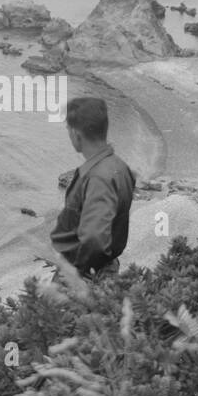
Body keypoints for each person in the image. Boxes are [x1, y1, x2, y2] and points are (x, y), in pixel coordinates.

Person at [50, 97, 135, 280]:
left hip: (87, 276)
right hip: (105, 268)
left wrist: (76, 271)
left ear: (75, 134)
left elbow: (94, 239)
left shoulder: (97, 177)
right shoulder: (119, 166)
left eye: (68, 130)